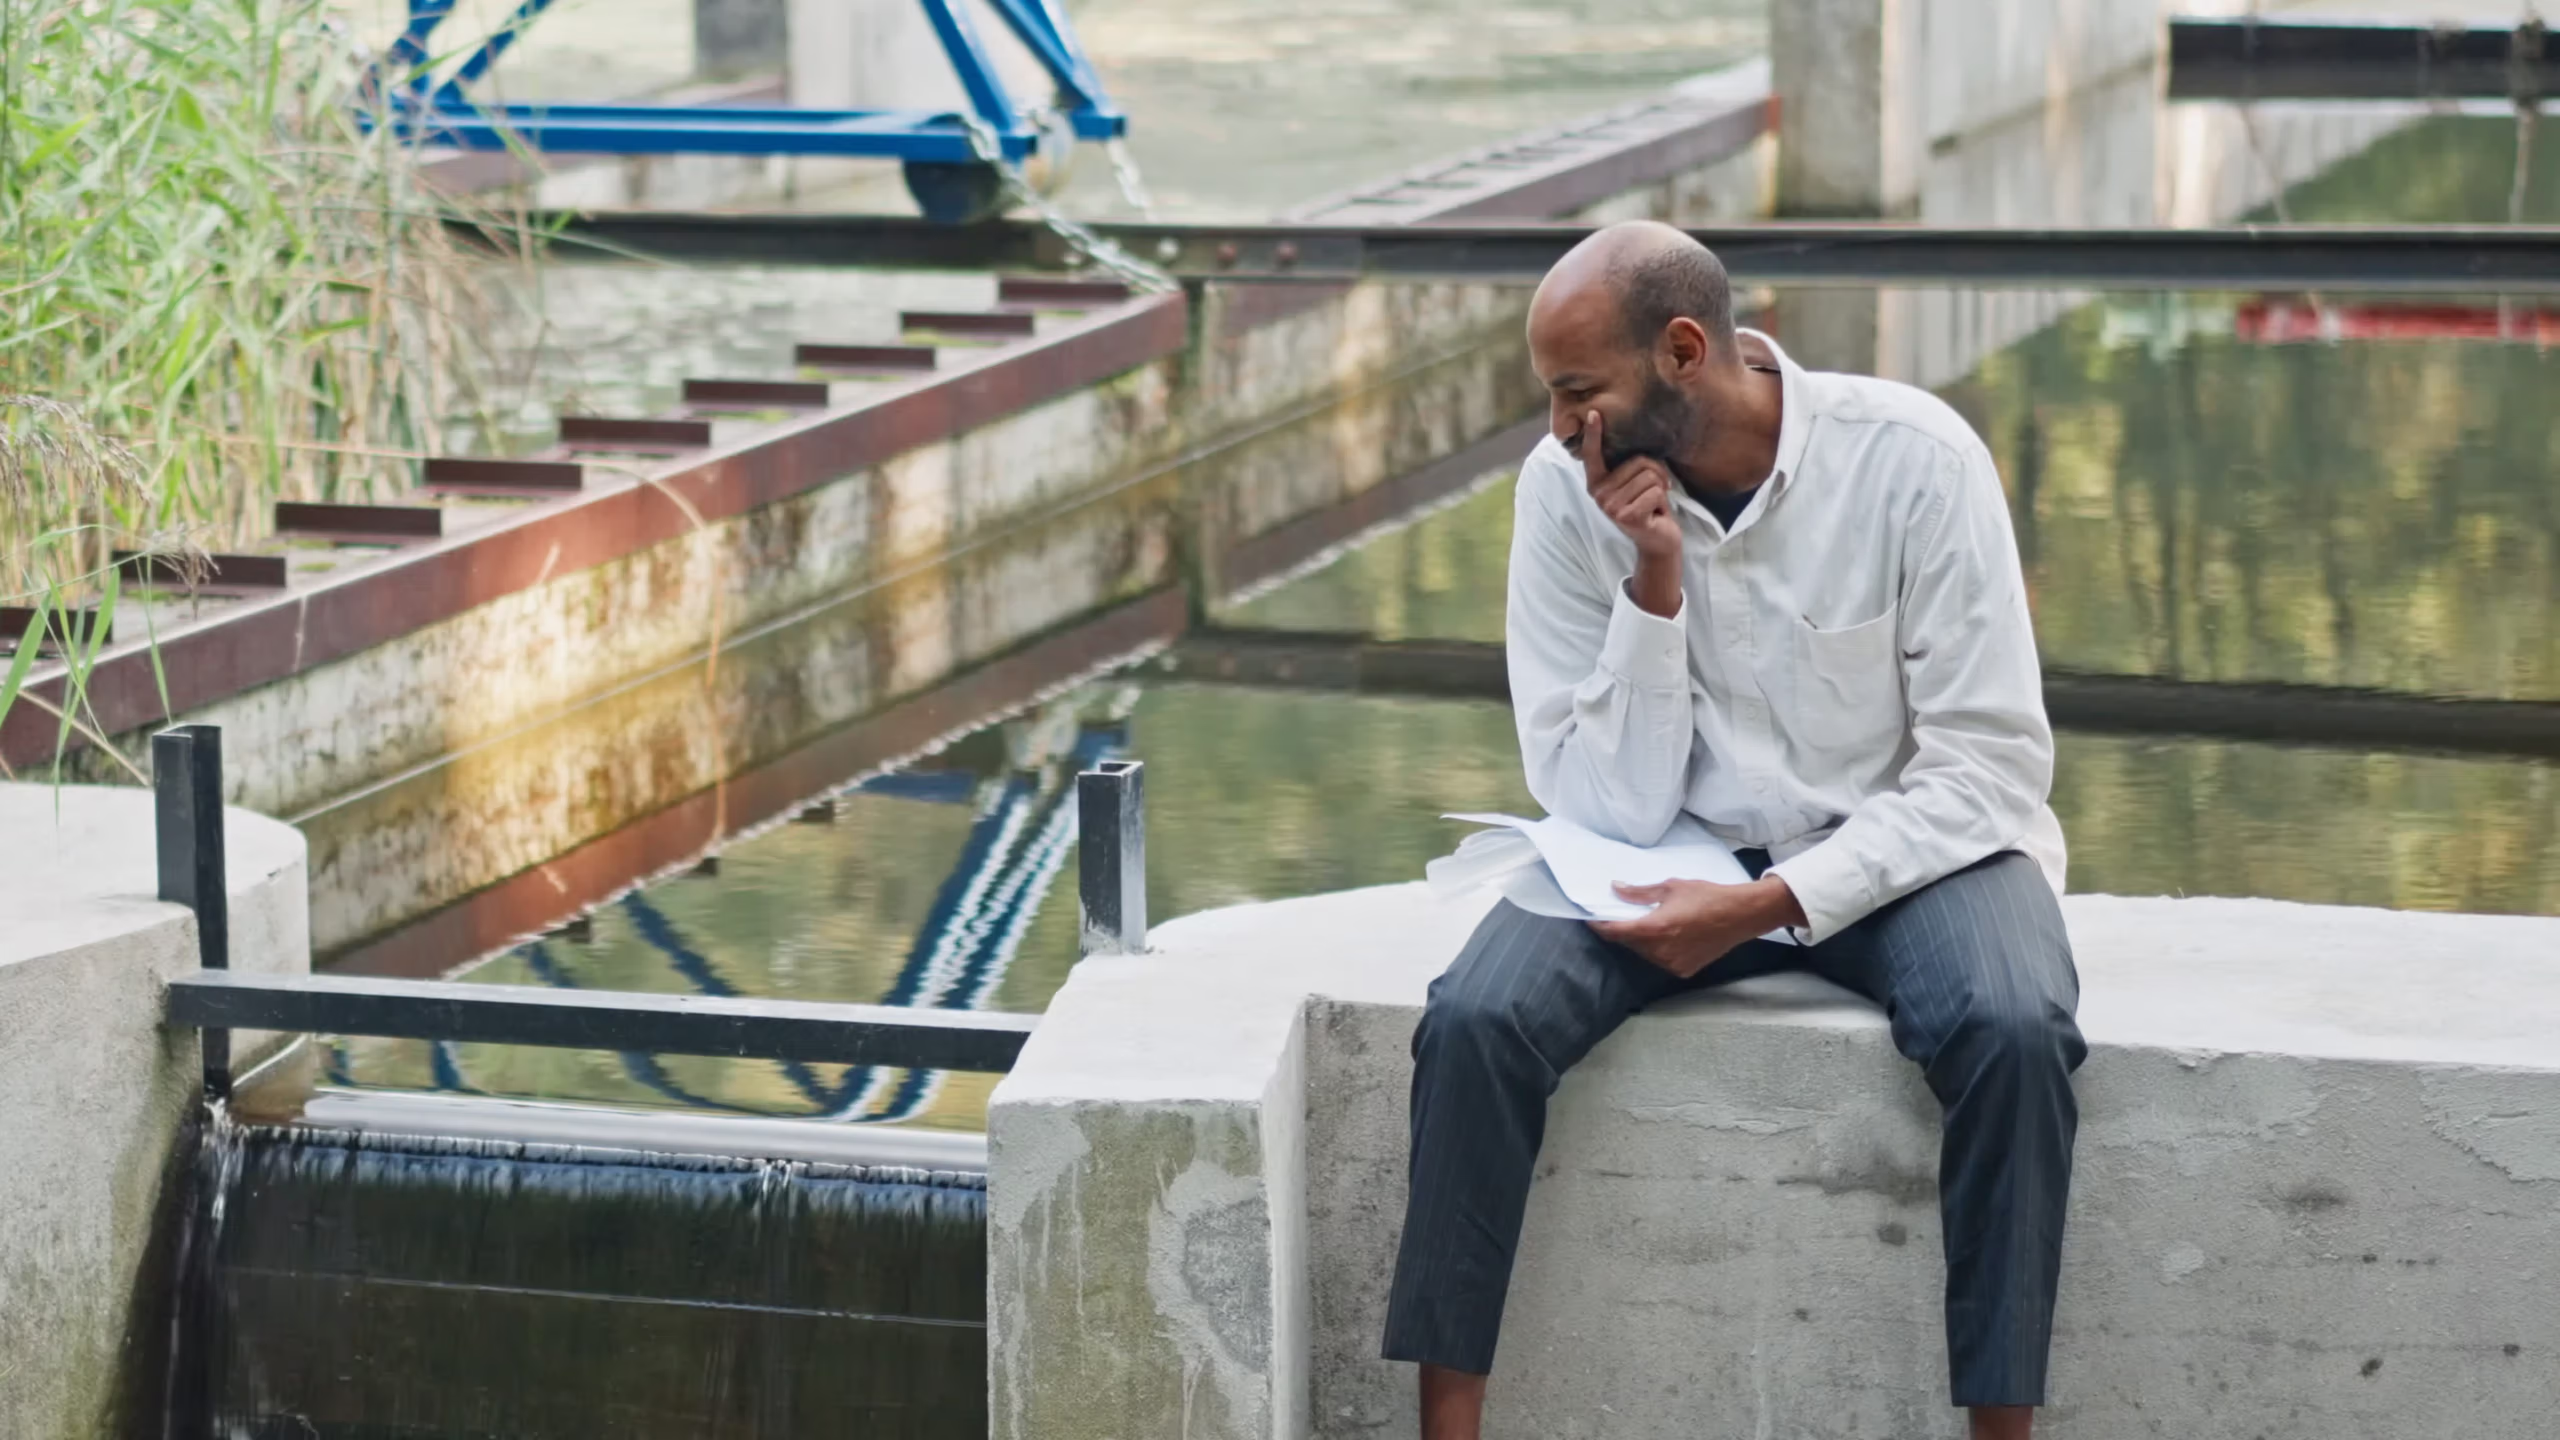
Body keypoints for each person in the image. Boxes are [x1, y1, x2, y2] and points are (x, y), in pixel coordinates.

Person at [1382, 220, 2085, 1440]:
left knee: (2015, 1030)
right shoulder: (1560, 493)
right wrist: (1652, 589)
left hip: (1910, 857)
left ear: (1683, 352)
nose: (1559, 426)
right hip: (1663, 851)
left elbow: (1989, 767)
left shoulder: (1914, 461)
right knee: (1475, 1020)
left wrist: (1767, 907)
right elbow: (1600, 800)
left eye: (1578, 391)